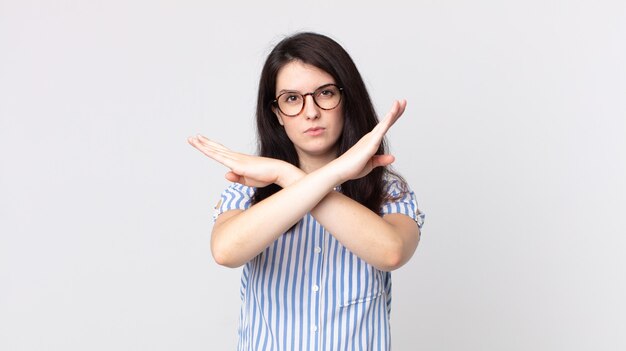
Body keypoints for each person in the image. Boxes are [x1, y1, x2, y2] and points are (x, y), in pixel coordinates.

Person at [188, 32, 424, 351]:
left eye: (325, 93)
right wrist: (296, 174)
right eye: (292, 99)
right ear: (276, 114)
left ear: (346, 99)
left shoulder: (387, 190)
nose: (311, 112)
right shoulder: (249, 190)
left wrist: (286, 174)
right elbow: (226, 251)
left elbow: (391, 252)